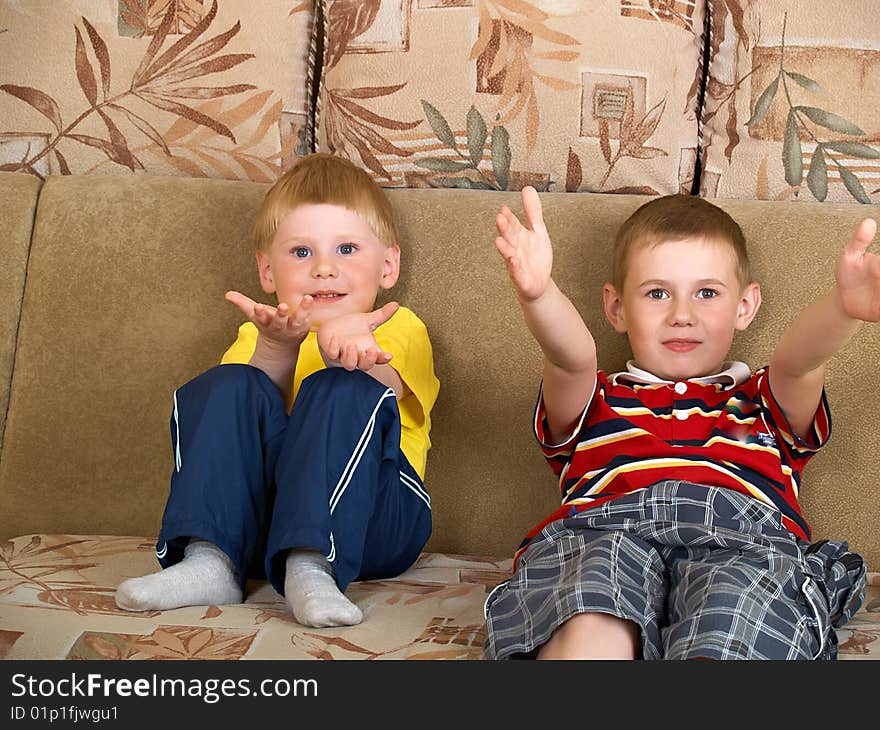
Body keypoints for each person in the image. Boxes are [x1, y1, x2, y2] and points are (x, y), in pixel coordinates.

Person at [484, 188, 872, 660]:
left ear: (745, 307)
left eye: (706, 293)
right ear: (616, 308)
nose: (682, 315)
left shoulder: (762, 402)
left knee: (738, 614)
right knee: (590, 608)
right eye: (657, 293)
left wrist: (842, 307)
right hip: (607, 533)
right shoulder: (597, 398)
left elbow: (799, 362)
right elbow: (570, 359)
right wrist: (541, 293)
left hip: (740, 542)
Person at [115, 153, 439, 628]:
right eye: (302, 252)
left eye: (346, 249)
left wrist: (345, 354)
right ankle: (213, 560)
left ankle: (311, 567)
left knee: (342, 386)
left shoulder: (397, 327)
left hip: (378, 521)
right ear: (268, 273)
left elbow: (383, 394)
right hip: (263, 530)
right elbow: (237, 433)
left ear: (388, 266)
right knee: (228, 384)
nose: (324, 268)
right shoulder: (257, 334)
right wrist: (277, 347)